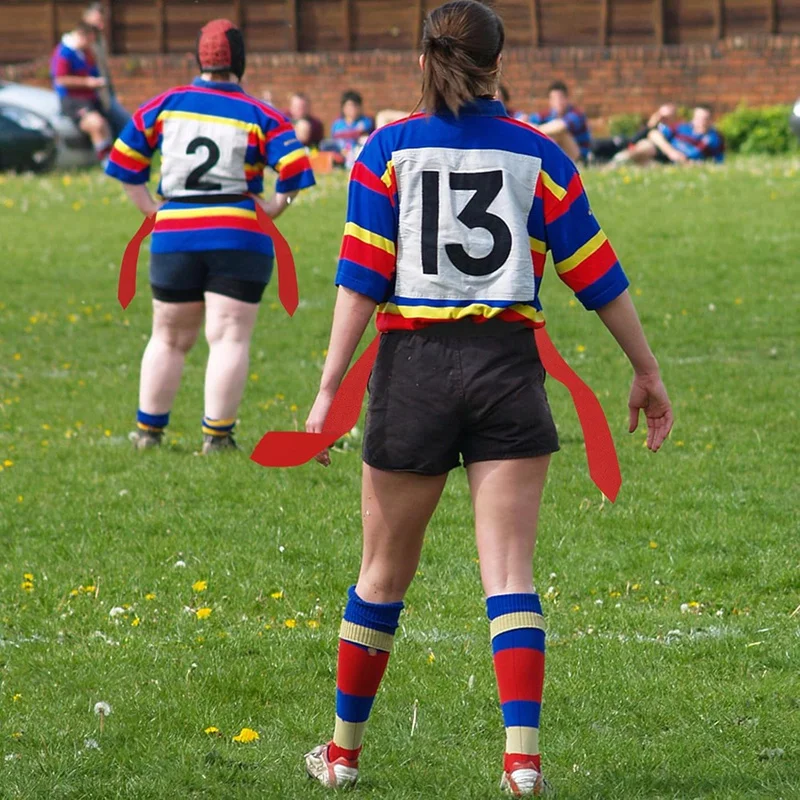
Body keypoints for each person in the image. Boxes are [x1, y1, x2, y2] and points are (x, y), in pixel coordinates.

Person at [302, 0, 672, 795]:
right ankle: (523, 764)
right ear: (500, 64)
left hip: (414, 367)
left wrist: (330, 388)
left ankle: (340, 757)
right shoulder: (540, 155)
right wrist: (645, 369)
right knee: (510, 574)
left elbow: (360, 281)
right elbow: (595, 273)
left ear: (423, 61)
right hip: (508, 368)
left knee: (380, 573)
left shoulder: (385, 150)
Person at [104, 19, 315, 454]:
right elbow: (294, 169)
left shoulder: (166, 105)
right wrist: (277, 207)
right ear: (240, 61)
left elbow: (124, 160)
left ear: (198, 59)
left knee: (167, 335)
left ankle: (149, 433)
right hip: (239, 232)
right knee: (229, 336)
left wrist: (149, 208)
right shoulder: (262, 114)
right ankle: (217, 437)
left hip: (175, 231)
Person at [50, 20, 113, 164]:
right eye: (90, 40)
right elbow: (60, 79)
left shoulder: (85, 53)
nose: (91, 44)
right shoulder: (64, 52)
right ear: (82, 36)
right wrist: (87, 82)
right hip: (73, 101)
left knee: (104, 125)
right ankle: (106, 163)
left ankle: (110, 161)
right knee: (96, 124)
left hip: (90, 99)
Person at [613, 105, 725, 166]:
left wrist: (689, 163)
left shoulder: (713, 139)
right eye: (698, 118)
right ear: (693, 118)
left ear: (710, 121)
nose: (701, 122)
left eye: (704, 119)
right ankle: (618, 161)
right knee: (646, 145)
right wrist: (671, 152)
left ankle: (616, 163)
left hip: (678, 164)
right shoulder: (682, 128)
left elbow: (718, 163)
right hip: (664, 154)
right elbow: (654, 134)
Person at [82, 1, 131, 137]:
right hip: (91, 99)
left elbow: (104, 72)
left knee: (122, 127)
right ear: (86, 19)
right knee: (127, 126)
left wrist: (112, 95)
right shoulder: (82, 44)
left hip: (106, 95)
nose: (101, 25)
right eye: (97, 21)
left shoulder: (100, 41)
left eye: (102, 21)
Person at [526, 80, 591, 164]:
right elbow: (529, 121)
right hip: (561, 155)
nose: (558, 102)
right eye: (554, 99)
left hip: (579, 157)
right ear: (550, 101)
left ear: (567, 99)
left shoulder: (576, 114)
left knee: (559, 133)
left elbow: (561, 126)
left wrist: (536, 129)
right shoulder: (547, 115)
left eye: (560, 98)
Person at [328, 90, 374, 160]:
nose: (352, 109)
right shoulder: (337, 124)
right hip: (341, 153)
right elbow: (334, 141)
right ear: (343, 108)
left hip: (358, 151)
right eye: (349, 106)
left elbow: (361, 133)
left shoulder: (366, 121)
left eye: (355, 106)